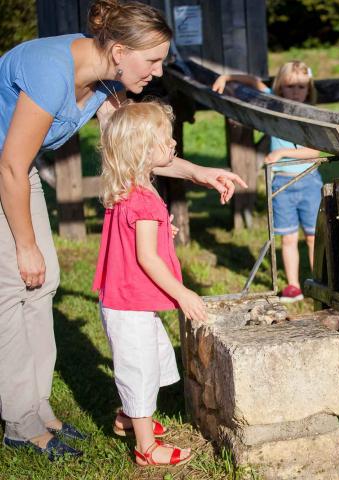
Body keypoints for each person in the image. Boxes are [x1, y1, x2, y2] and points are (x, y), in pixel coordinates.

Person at [0, 0, 246, 460]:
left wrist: (200, 173)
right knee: (15, 285)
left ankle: (37, 409)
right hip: (7, 169)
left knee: (45, 282)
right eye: (152, 60)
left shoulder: (106, 86)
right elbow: (9, 165)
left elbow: (138, 151)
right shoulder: (50, 70)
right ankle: (20, 422)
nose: (157, 72)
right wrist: (27, 245)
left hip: (18, 168)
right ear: (118, 50)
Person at [92, 100, 200, 467]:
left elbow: (133, 239)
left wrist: (159, 233)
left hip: (125, 299)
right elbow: (146, 258)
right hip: (129, 303)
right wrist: (182, 293)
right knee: (138, 370)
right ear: (141, 151)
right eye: (165, 140)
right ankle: (145, 448)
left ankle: (127, 418)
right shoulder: (145, 200)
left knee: (152, 360)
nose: (172, 146)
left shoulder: (131, 189)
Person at [212, 61, 322, 302]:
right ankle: (294, 286)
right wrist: (228, 78)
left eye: (301, 87)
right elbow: (253, 81)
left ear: (308, 89)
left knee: (314, 236)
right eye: (290, 86)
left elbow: (314, 152)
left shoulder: (310, 114)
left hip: (308, 181)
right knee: (289, 237)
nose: (296, 91)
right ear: (281, 87)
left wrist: (282, 154)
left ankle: (318, 282)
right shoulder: (274, 103)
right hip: (281, 182)